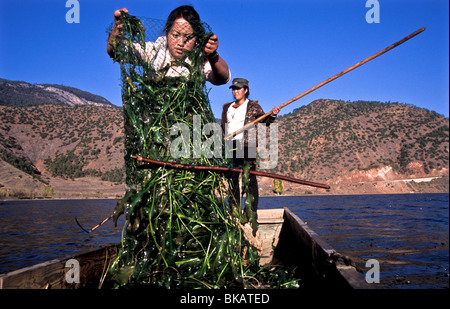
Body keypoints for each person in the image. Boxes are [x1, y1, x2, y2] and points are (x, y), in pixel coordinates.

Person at [106, 6, 230, 85]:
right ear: (167, 32)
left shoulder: (199, 59)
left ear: (197, 37)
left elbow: (222, 78)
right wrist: (117, 28)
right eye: (175, 35)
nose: (180, 43)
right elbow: (116, 51)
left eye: (188, 37)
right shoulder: (152, 51)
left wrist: (213, 56)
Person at [221, 78, 280, 211]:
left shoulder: (253, 106)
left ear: (245, 90)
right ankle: (234, 209)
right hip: (232, 145)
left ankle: (251, 210)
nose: (235, 91)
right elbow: (223, 127)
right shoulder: (227, 107)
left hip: (248, 145)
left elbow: (265, 121)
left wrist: (273, 115)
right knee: (233, 178)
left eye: (239, 89)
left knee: (250, 178)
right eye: (233, 89)